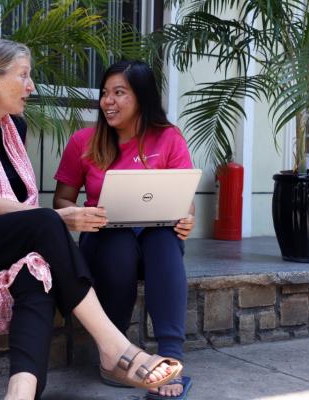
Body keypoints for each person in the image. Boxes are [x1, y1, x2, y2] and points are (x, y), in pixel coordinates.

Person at [0, 40, 182, 400]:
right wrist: (58, 217)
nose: (32, 87)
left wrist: (51, 219)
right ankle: (113, 346)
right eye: (24, 76)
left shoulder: (14, 129)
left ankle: (21, 392)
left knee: (36, 273)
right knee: (46, 223)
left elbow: (14, 206)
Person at [53, 60, 195, 399]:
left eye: (119, 93)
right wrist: (76, 214)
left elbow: (184, 201)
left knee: (163, 235)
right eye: (105, 93)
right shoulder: (83, 142)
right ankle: (114, 354)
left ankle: (171, 355)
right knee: (117, 240)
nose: (107, 101)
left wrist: (186, 218)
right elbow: (61, 200)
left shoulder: (169, 139)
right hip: (103, 241)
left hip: (154, 244)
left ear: (142, 98)